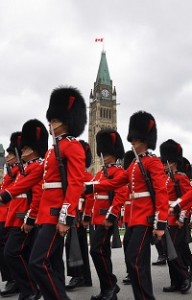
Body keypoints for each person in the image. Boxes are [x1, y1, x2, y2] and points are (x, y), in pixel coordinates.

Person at [85, 111, 169, 300]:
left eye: (136, 139)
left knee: (135, 260)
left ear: (144, 140)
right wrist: (90, 187)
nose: (132, 142)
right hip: (135, 218)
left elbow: (161, 193)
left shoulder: (152, 162)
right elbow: (115, 183)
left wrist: (161, 222)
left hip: (146, 217)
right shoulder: (134, 165)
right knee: (134, 262)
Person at [28, 86, 87, 300]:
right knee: (53, 264)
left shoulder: (72, 146)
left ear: (66, 121)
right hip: (46, 213)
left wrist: (65, 216)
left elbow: (75, 183)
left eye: (54, 121)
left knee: (37, 262)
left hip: (56, 215)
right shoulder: (54, 149)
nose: (50, 125)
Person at [0, 119, 48, 300]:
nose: (22, 151)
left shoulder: (36, 167)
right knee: (19, 254)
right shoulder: (24, 168)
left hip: (24, 218)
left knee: (11, 253)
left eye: (26, 148)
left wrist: (29, 218)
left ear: (34, 149)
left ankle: (31, 289)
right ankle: (29, 289)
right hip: (16, 216)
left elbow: (36, 196)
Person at [84, 128, 128, 300]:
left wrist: (112, 215)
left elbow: (121, 195)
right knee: (103, 252)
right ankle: (107, 290)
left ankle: (110, 285)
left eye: (106, 153)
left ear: (113, 154)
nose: (103, 155)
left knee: (96, 250)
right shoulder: (101, 173)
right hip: (97, 218)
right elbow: (91, 195)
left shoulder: (118, 172)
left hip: (106, 218)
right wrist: (87, 215)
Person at [159, 139, 191, 293]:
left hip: (177, 219)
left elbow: (188, 200)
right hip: (166, 219)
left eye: (167, 163)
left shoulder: (180, 177)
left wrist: (181, 218)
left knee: (175, 250)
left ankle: (184, 278)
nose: (165, 166)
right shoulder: (166, 179)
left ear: (173, 162)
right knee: (168, 252)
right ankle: (175, 282)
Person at [65, 140, 93, 290]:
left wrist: (86, 217)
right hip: (73, 214)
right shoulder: (73, 175)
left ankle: (78, 276)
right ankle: (84, 277)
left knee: (74, 245)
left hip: (79, 216)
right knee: (77, 245)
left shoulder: (86, 176)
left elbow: (90, 198)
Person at [0, 132, 21, 297]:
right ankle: (12, 279)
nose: (7, 157)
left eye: (11, 154)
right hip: (5, 215)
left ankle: (16, 280)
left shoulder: (18, 172)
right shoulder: (11, 172)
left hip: (11, 215)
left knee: (9, 251)